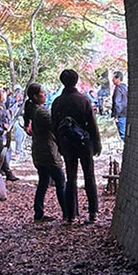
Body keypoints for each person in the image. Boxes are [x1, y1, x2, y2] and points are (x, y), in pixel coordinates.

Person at [51, 69, 102, 224]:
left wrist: (59, 144)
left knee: (71, 178)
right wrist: (97, 143)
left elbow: (54, 126)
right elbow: (92, 124)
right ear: (76, 80)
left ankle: (70, 215)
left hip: (67, 144)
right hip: (84, 143)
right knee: (89, 176)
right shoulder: (84, 100)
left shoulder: (57, 102)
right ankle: (93, 212)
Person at [27, 82, 68, 222]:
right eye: (42, 93)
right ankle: (66, 212)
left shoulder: (34, 110)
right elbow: (55, 126)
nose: (45, 95)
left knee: (43, 182)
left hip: (39, 151)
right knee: (60, 181)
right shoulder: (41, 113)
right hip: (48, 151)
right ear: (35, 96)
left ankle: (39, 212)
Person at [111, 71, 128, 140]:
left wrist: (116, 116)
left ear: (118, 78)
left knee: (122, 135)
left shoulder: (118, 88)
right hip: (126, 114)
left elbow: (117, 103)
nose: (112, 80)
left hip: (121, 115)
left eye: (113, 78)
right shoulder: (125, 87)